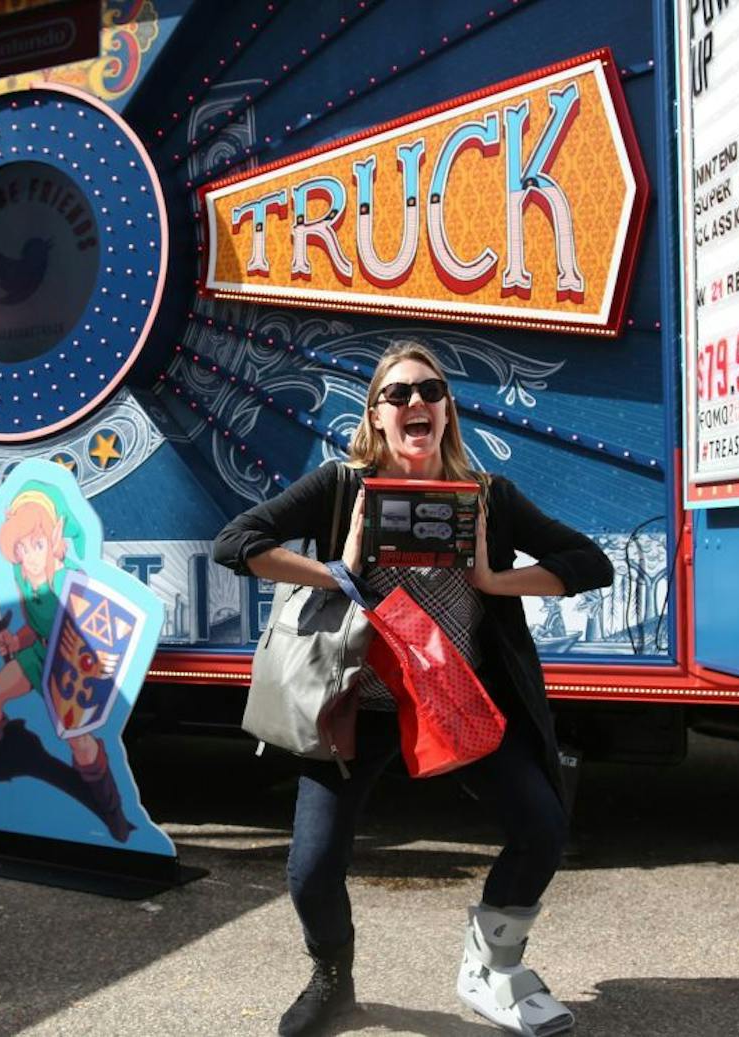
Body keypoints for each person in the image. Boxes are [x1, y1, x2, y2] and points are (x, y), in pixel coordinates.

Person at [212, 341, 613, 1036]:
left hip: (457, 696)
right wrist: (337, 569)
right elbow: (236, 542)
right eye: (395, 394)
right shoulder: (343, 487)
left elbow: (589, 563)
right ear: (375, 416)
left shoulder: (489, 497)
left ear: (447, 411)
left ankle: (492, 965)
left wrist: (495, 580)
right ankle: (332, 978)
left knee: (542, 826)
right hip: (357, 706)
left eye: (428, 390)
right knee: (310, 871)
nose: (414, 403)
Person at [0, 481, 134, 842]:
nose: (29, 555)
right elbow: (36, 626)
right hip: (37, 654)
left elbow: (88, 634)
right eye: (21, 546)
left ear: (53, 541)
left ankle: (113, 813)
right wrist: (16, 639)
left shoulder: (69, 580)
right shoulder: (23, 577)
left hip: (68, 661)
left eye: (37, 544)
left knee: (79, 741)